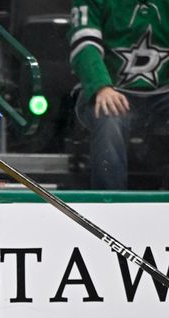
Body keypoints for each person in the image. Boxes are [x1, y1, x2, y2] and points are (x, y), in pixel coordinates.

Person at [70, 0, 169, 190]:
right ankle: (110, 202)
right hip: (111, 90)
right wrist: (102, 86)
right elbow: (84, 45)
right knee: (109, 117)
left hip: (163, 94)